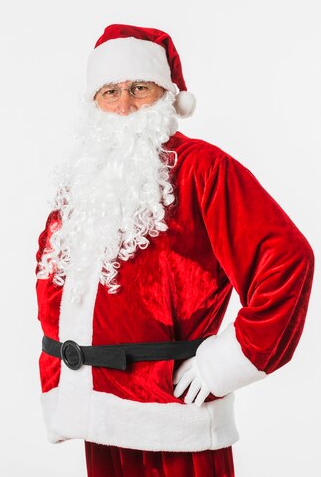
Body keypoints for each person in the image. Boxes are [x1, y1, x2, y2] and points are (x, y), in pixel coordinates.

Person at [34, 24, 314, 477]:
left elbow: (286, 259)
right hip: (99, 414)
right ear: (93, 103)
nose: (123, 106)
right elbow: (55, 286)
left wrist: (222, 365)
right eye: (109, 92)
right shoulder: (84, 184)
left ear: (165, 95)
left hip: (174, 411)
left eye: (138, 88)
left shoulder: (205, 169)